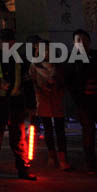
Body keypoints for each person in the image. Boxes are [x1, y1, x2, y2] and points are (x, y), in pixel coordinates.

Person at [0, 29, 37, 181]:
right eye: (3, 41)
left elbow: (27, 83)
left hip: (14, 102)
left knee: (18, 138)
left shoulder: (19, 59)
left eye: (9, 41)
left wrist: (31, 105)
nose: (6, 44)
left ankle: (23, 169)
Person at [67, 29, 97, 173]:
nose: (82, 43)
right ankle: (91, 163)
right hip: (84, 103)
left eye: (84, 39)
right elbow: (70, 83)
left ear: (89, 41)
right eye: (78, 40)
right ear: (74, 43)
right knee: (88, 132)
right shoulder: (72, 60)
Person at [29, 35, 71, 170]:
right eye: (42, 50)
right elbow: (32, 82)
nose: (45, 53)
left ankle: (63, 158)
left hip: (57, 99)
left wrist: (56, 84)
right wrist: (41, 88)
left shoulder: (58, 65)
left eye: (47, 50)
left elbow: (64, 81)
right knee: (47, 129)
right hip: (43, 100)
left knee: (60, 130)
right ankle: (52, 156)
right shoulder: (34, 65)